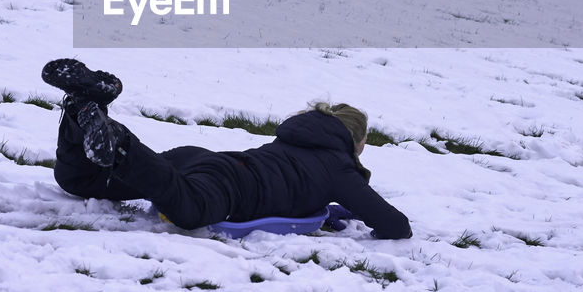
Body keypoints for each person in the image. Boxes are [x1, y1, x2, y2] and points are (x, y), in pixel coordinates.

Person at [42, 59, 411, 239]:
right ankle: (118, 141)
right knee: (190, 212)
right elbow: (397, 226)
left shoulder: (294, 138)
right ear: (355, 141)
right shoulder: (339, 168)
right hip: (227, 186)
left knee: (79, 180)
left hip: (203, 160)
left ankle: (81, 110)